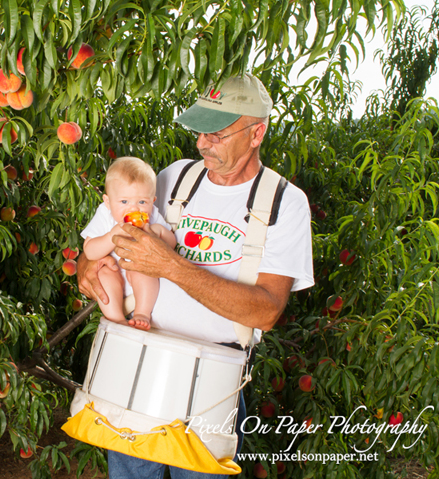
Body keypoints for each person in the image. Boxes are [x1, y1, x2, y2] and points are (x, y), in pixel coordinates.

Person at [76, 73, 314, 478]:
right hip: (139, 358)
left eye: (218, 133)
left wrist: (169, 265)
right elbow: (99, 237)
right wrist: (88, 267)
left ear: (257, 133)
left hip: (214, 376)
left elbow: (267, 311)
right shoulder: (171, 178)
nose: (203, 143)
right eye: (200, 130)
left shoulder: (283, 203)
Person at [81, 156, 177, 330]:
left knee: (145, 271)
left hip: (138, 272)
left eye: (142, 202)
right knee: (103, 276)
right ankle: (116, 318)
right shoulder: (105, 214)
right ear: (108, 202)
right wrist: (112, 235)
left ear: (152, 201)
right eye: (124, 202)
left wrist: (159, 232)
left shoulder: (153, 216)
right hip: (114, 272)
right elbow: (90, 252)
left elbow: (172, 244)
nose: (134, 208)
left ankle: (142, 313)